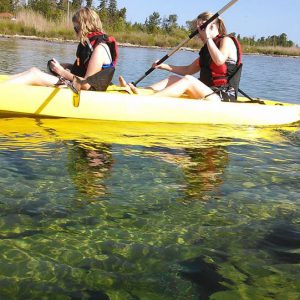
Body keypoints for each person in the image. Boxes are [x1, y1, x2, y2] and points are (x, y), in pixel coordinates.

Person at [119, 12, 242, 102]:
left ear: (212, 27)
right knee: (172, 79)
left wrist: (208, 37)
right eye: (198, 29)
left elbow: (219, 60)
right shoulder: (208, 48)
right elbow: (188, 70)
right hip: (208, 92)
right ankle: (141, 91)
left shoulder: (226, 41)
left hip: (223, 96)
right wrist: (164, 66)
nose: (199, 34)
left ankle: (147, 101)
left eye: (201, 29)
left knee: (189, 80)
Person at [4, 7, 118, 91]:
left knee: (34, 74)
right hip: (77, 86)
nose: (75, 32)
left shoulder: (99, 49)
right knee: (33, 70)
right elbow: (86, 70)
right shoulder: (93, 45)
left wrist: (61, 71)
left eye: (76, 28)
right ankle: (4, 86)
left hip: (86, 93)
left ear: (85, 27)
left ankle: (3, 92)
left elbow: (86, 84)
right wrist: (67, 66)